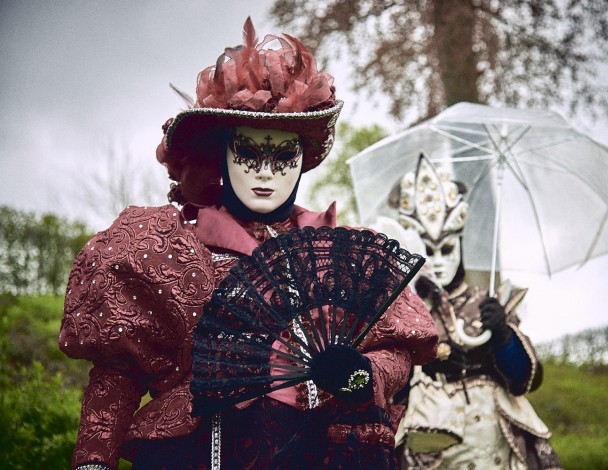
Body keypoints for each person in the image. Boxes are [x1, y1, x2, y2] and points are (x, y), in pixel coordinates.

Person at [58, 18, 438, 470]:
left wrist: (361, 375)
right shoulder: (169, 248)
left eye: (282, 156)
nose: (265, 171)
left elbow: (395, 350)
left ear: (301, 163)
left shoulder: (335, 254)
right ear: (223, 154)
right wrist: (93, 461)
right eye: (250, 152)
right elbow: (118, 372)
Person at [391, 155, 562, 469]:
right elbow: (387, 386)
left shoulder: (487, 301)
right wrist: (423, 366)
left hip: (495, 443)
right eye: (428, 250)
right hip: (433, 442)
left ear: (461, 244)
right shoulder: (403, 311)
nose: (438, 261)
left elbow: (526, 378)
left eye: (447, 249)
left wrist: (503, 336)